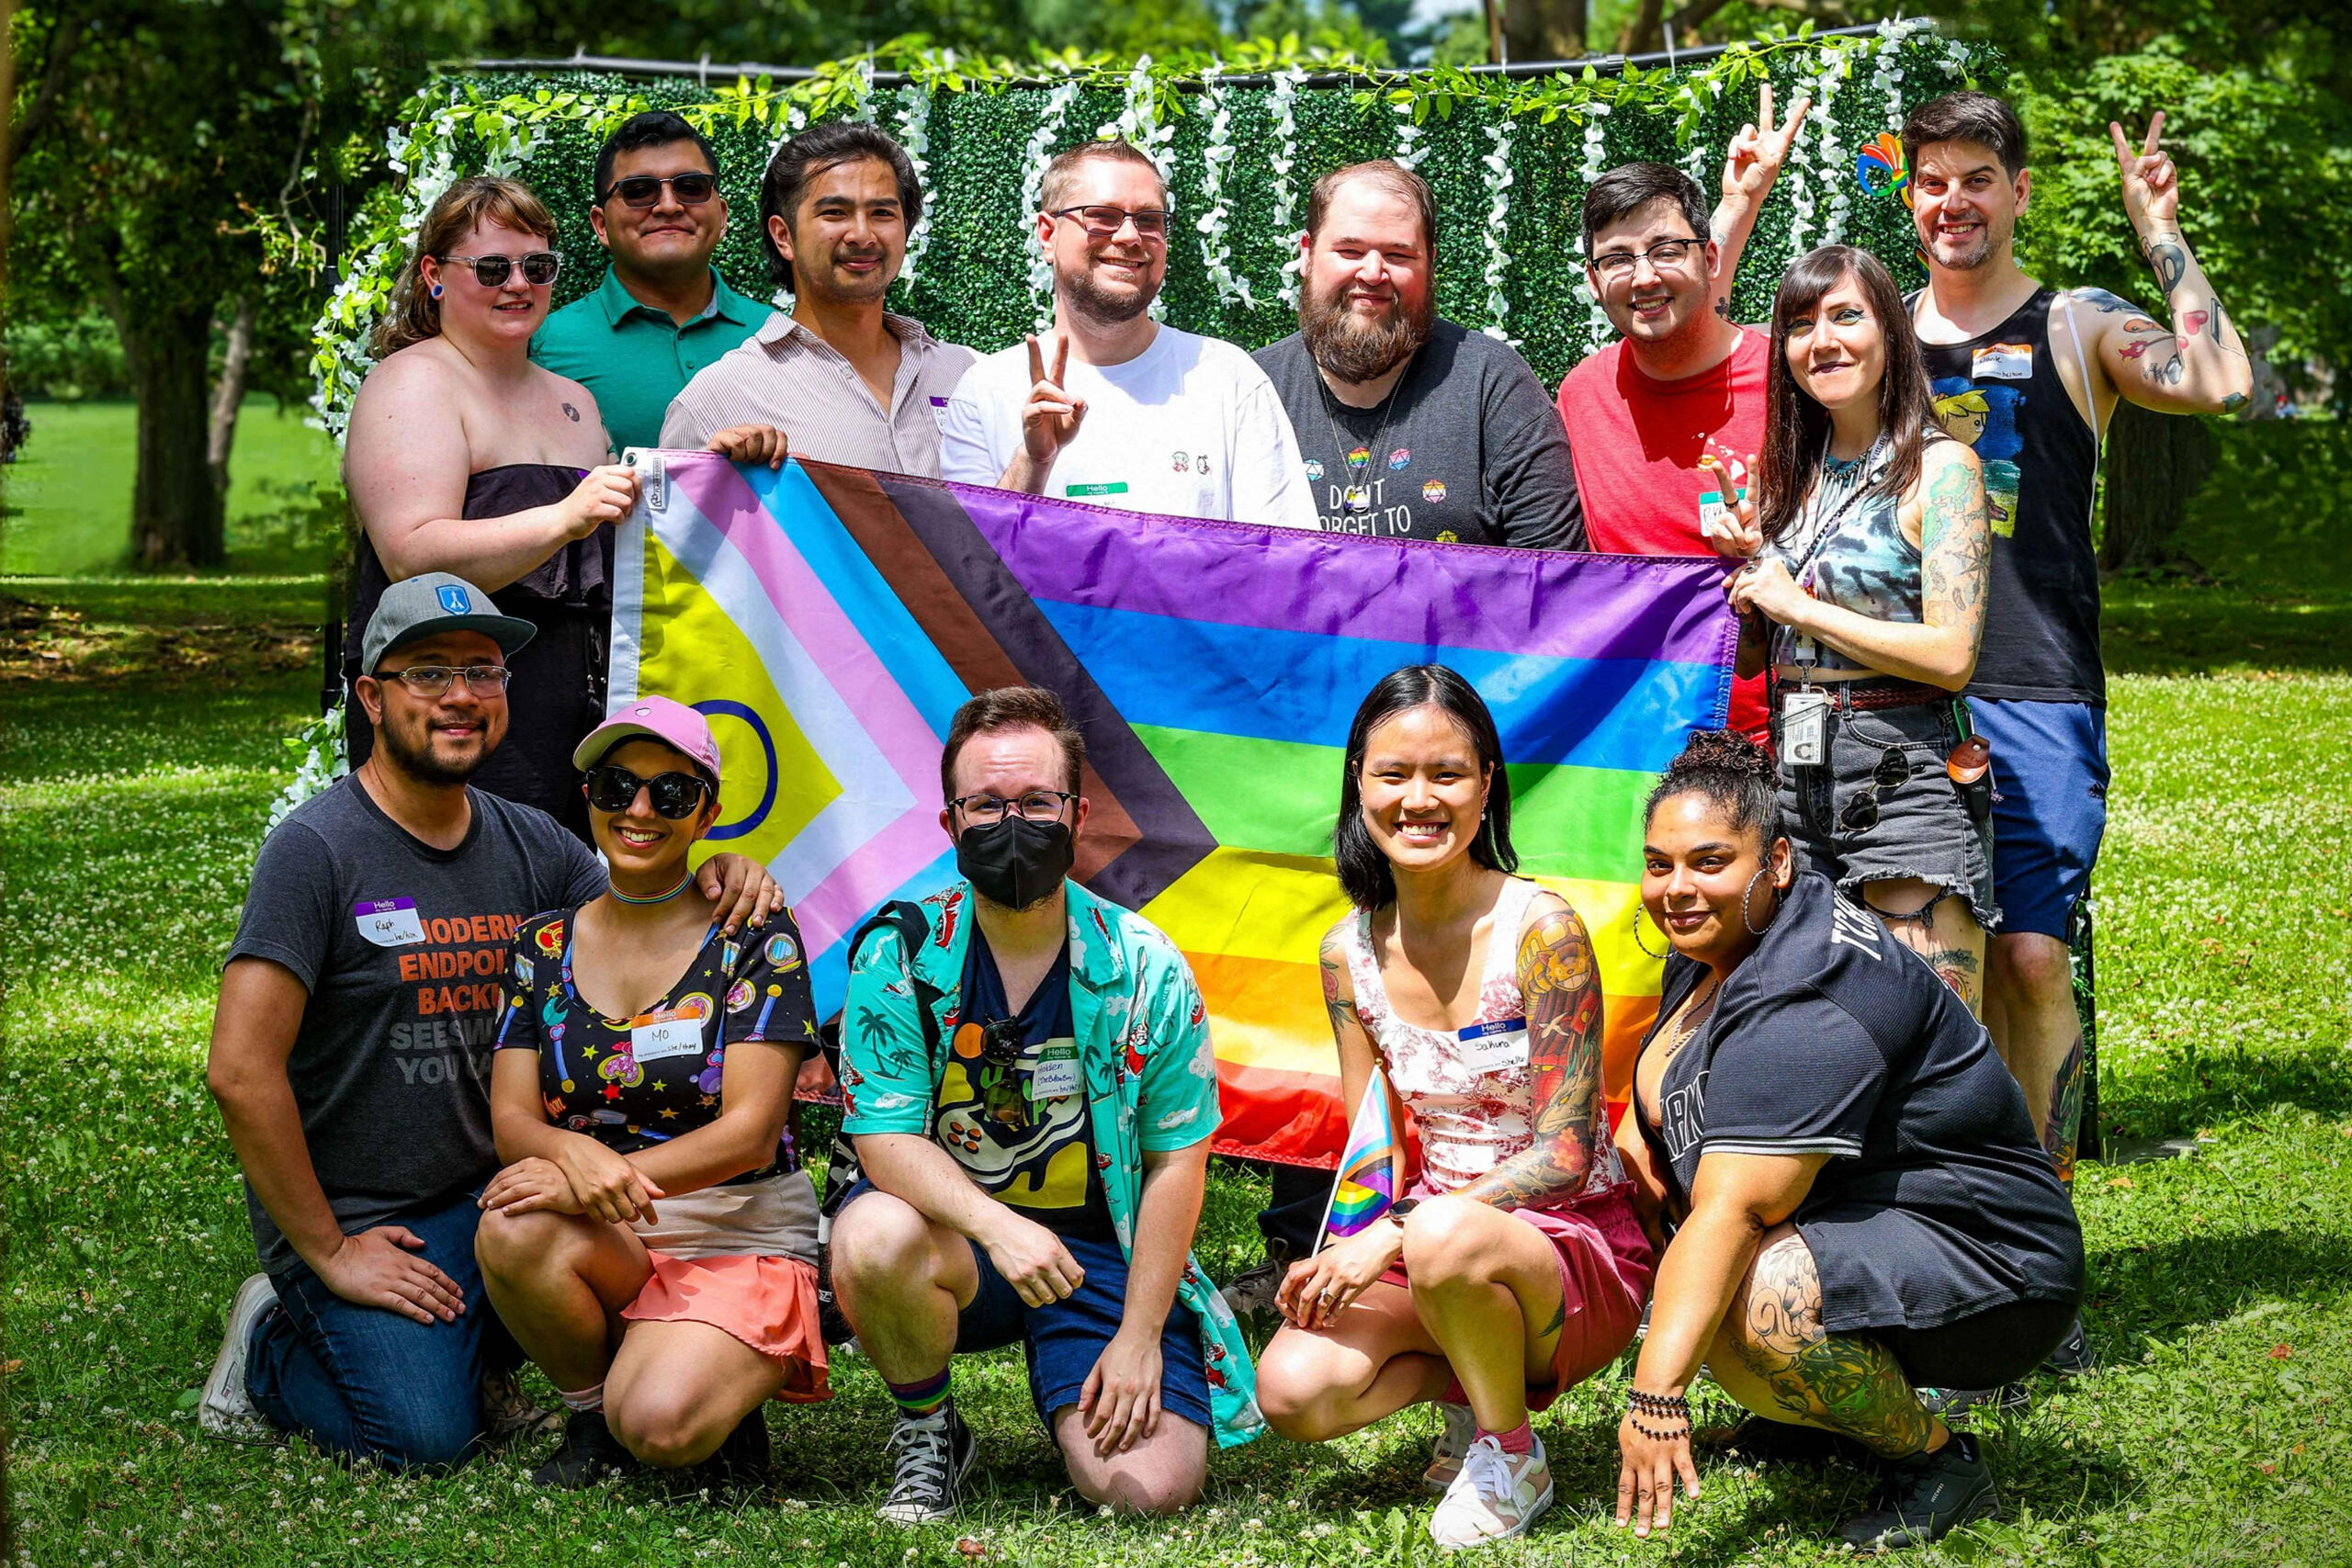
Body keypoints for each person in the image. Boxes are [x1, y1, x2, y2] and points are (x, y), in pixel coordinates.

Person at [198, 575, 782, 1469]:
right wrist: (329, 1248)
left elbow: (647, 910)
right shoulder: (315, 851)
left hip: (510, 1192)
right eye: (430, 673)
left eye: (482, 671)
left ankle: (483, 1349)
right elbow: (240, 1071)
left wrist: (724, 871)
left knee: (614, 1323)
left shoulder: (532, 843)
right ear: (371, 696)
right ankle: (270, 1341)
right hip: (372, 1214)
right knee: (423, 1438)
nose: (462, 696)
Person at [1902, 92, 2251, 1214]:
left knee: (2030, 956)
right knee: (1928, 965)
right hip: (1899, 684)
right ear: (1909, 195)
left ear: (2018, 193)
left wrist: (2161, 234)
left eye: (1977, 180)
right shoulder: (1880, 330)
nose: (1953, 202)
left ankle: (2038, 1219)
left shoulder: (2076, 322)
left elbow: (2218, 381)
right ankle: (1945, 1212)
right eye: (1932, 181)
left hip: (2035, 685)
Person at [1612, 731, 2083, 1551]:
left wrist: (1655, 1395)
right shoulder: (1721, 936)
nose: (1677, 888)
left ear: (1778, 861)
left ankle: (1938, 1463)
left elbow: (1731, 1213)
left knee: (1761, 1293)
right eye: (1660, 864)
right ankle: (1818, 1417)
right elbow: (1663, 1080)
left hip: (1997, 1263)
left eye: (1709, 861)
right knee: (1718, 1275)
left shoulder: (1809, 988)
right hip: (1873, 1221)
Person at [826, 686, 1261, 1524]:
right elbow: (884, 1140)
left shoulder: (1146, 964)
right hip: (961, 1241)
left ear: (1077, 814)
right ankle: (930, 1427)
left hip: (1098, 1251)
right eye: (986, 804)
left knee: (1149, 1489)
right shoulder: (899, 951)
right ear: (951, 823)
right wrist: (999, 1227)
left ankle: (1085, 1357)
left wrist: (1139, 1335)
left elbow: (1176, 1161)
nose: (1012, 823)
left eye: (1035, 801)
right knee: (871, 1234)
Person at [1253, 667, 1654, 1551]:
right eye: (1394, 773)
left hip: (1574, 1245)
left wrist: (1396, 1233)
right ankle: (1478, 1386)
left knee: (1439, 1232)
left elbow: (1565, 1155)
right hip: (1428, 1235)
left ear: (1486, 785)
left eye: (1448, 774)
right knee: (1291, 1390)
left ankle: (1512, 1454)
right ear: (1359, 781)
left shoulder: (1541, 930)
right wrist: (1341, 1253)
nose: (1419, 799)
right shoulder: (1345, 953)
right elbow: (1373, 1147)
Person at [345, 176, 776, 842]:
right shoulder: (413, 381)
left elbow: (615, 540)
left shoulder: (574, 401)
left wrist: (712, 471)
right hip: (456, 713)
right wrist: (563, 517)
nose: (518, 284)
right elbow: (411, 555)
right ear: (434, 275)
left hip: (576, 717)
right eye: (492, 268)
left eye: (537, 267)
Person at [477, 696, 827, 1492]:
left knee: (662, 1424)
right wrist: (573, 1159)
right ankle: (591, 1412)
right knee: (511, 1226)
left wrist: (601, 1177)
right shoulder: (541, 946)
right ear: (589, 796)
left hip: (734, 1224)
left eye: (671, 793)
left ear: (708, 812)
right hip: (612, 1227)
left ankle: (701, 1386)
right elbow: (512, 1119)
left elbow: (750, 1131)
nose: (639, 810)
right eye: (616, 786)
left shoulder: (753, 934)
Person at [1702, 245, 1995, 1014]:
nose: (1821, 341)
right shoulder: (1789, 473)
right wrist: (1753, 593)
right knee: (1822, 1029)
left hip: (1902, 765)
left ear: (1890, 331)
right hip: (1795, 766)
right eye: (1800, 325)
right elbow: (1764, 652)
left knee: (1926, 1029)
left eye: (1844, 316)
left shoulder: (1943, 469)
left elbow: (1953, 656)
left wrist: (1797, 603)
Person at [1553, 85, 1810, 739]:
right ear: (1593, 281)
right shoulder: (1580, 396)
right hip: (1633, 739)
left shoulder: (1790, 380)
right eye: (1617, 259)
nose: (1643, 277)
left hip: (1782, 738)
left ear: (1709, 257)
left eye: (1667, 250)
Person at [939, 141, 1317, 528]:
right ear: (1048, 235)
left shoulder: (1228, 378)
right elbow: (968, 558)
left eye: (1149, 220)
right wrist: (1034, 463)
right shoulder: (986, 390)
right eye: (1102, 216)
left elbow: (1283, 552)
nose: (1129, 236)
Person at [1252, 161, 1581, 546]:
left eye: (1399, 255)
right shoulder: (1253, 390)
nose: (1372, 273)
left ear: (1430, 263)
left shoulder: (1491, 384)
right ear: (1307, 255)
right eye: (1349, 250)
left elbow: (1553, 568)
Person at [662, 121, 978, 476]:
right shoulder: (716, 402)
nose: (862, 235)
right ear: (784, 236)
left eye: (882, 213)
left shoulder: (964, 374)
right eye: (835, 213)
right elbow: (678, 511)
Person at [530, 110, 764, 454]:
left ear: (723, 216)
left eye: (691, 187)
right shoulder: (544, 345)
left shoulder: (779, 336)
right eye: (638, 191)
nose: (668, 206)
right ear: (601, 225)